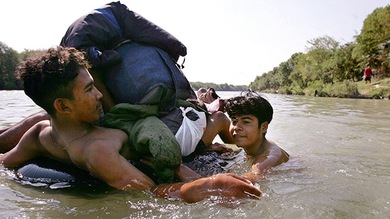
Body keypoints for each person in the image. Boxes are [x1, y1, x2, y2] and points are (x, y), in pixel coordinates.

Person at [0, 47, 261, 203]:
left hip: (149, 137)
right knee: (219, 119)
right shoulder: (98, 152)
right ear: (63, 106)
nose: (99, 95)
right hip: (166, 156)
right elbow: (153, 193)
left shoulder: (39, 132)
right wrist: (211, 185)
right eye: (90, 90)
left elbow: (5, 162)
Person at [223, 91, 290, 183]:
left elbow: (249, 179)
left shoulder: (268, 157)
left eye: (246, 122)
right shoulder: (256, 145)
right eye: (234, 121)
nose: (236, 127)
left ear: (264, 127)